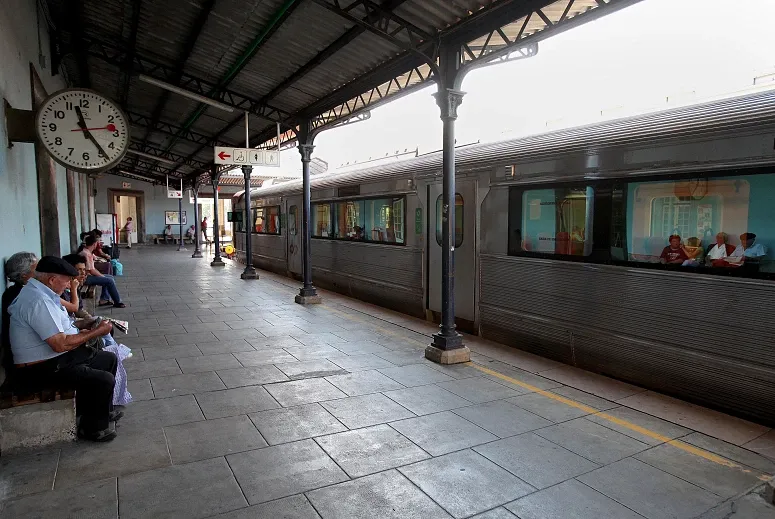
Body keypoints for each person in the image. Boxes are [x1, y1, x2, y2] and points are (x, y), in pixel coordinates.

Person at [8, 256, 120, 442]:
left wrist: (83, 328)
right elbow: (60, 343)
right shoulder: (38, 301)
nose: (69, 285)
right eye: (66, 280)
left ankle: (99, 413)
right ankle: (92, 429)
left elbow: (60, 327)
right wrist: (97, 332)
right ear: (52, 279)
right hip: (39, 368)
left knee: (108, 359)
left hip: (53, 357)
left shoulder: (43, 293)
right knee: (103, 379)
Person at [62, 254, 132, 407]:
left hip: (70, 331)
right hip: (62, 349)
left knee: (102, 326)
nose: (83, 273)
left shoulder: (61, 291)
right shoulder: (54, 296)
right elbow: (73, 312)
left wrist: (90, 320)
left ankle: (111, 350)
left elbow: (77, 311)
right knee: (100, 331)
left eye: (83, 270)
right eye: (79, 270)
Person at [2, 252, 38, 378]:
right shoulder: (22, 295)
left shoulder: (17, 292)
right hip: (28, 362)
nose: (39, 272)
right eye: (36, 269)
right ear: (24, 275)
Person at [80, 235, 126, 308]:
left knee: (110, 277)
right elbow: (91, 270)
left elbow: (92, 268)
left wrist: (102, 275)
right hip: (86, 278)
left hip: (88, 275)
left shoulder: (88, 252)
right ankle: (117, 302)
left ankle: (104, 299)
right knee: (109, 280)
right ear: (94, 244)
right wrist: (101, 276)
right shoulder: (86, 254)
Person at [60, 254, 91, 319]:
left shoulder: (76, 287)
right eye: (79, 270)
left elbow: (79, 309)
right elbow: (73, 309)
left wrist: (89, 318)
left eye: (84, 269)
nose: (83, 273)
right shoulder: (60, 291)